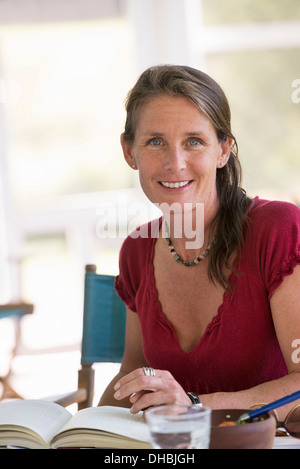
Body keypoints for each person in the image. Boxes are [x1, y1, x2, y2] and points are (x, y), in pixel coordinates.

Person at [98, 64, 300, 420]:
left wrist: (193, 407)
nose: (175, 163)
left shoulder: (278, 229)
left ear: (223, 150)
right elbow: (134, 374)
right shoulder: (135, 250)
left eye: (194, 141)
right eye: (155, 142)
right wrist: (85, 432)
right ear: (130, 152)